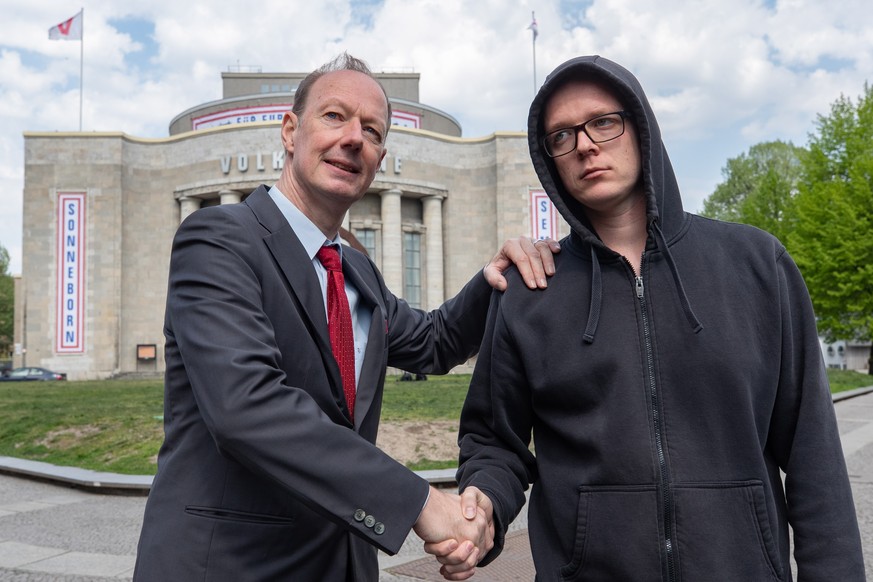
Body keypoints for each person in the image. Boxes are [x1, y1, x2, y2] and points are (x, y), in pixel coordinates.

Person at [133, 52, 559, 582]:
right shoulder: (219, 238)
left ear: (380, 155)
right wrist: (423, 504)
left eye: (373, 130)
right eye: (334, 116)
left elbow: (433, 341)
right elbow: (246, 406)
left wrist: (494, 275)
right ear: (290, 131)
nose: (355, 138)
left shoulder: (354, 269)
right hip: (230, 565)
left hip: (340, 565)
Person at [455, 55, 866, 581]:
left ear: (641, 125)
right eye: (561, 136)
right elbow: (493, 442)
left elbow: (814, 457)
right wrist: (482, 505)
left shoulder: (758, 265)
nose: (584, 144)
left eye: (603, 121)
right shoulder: (531, 290)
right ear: (549, 158)